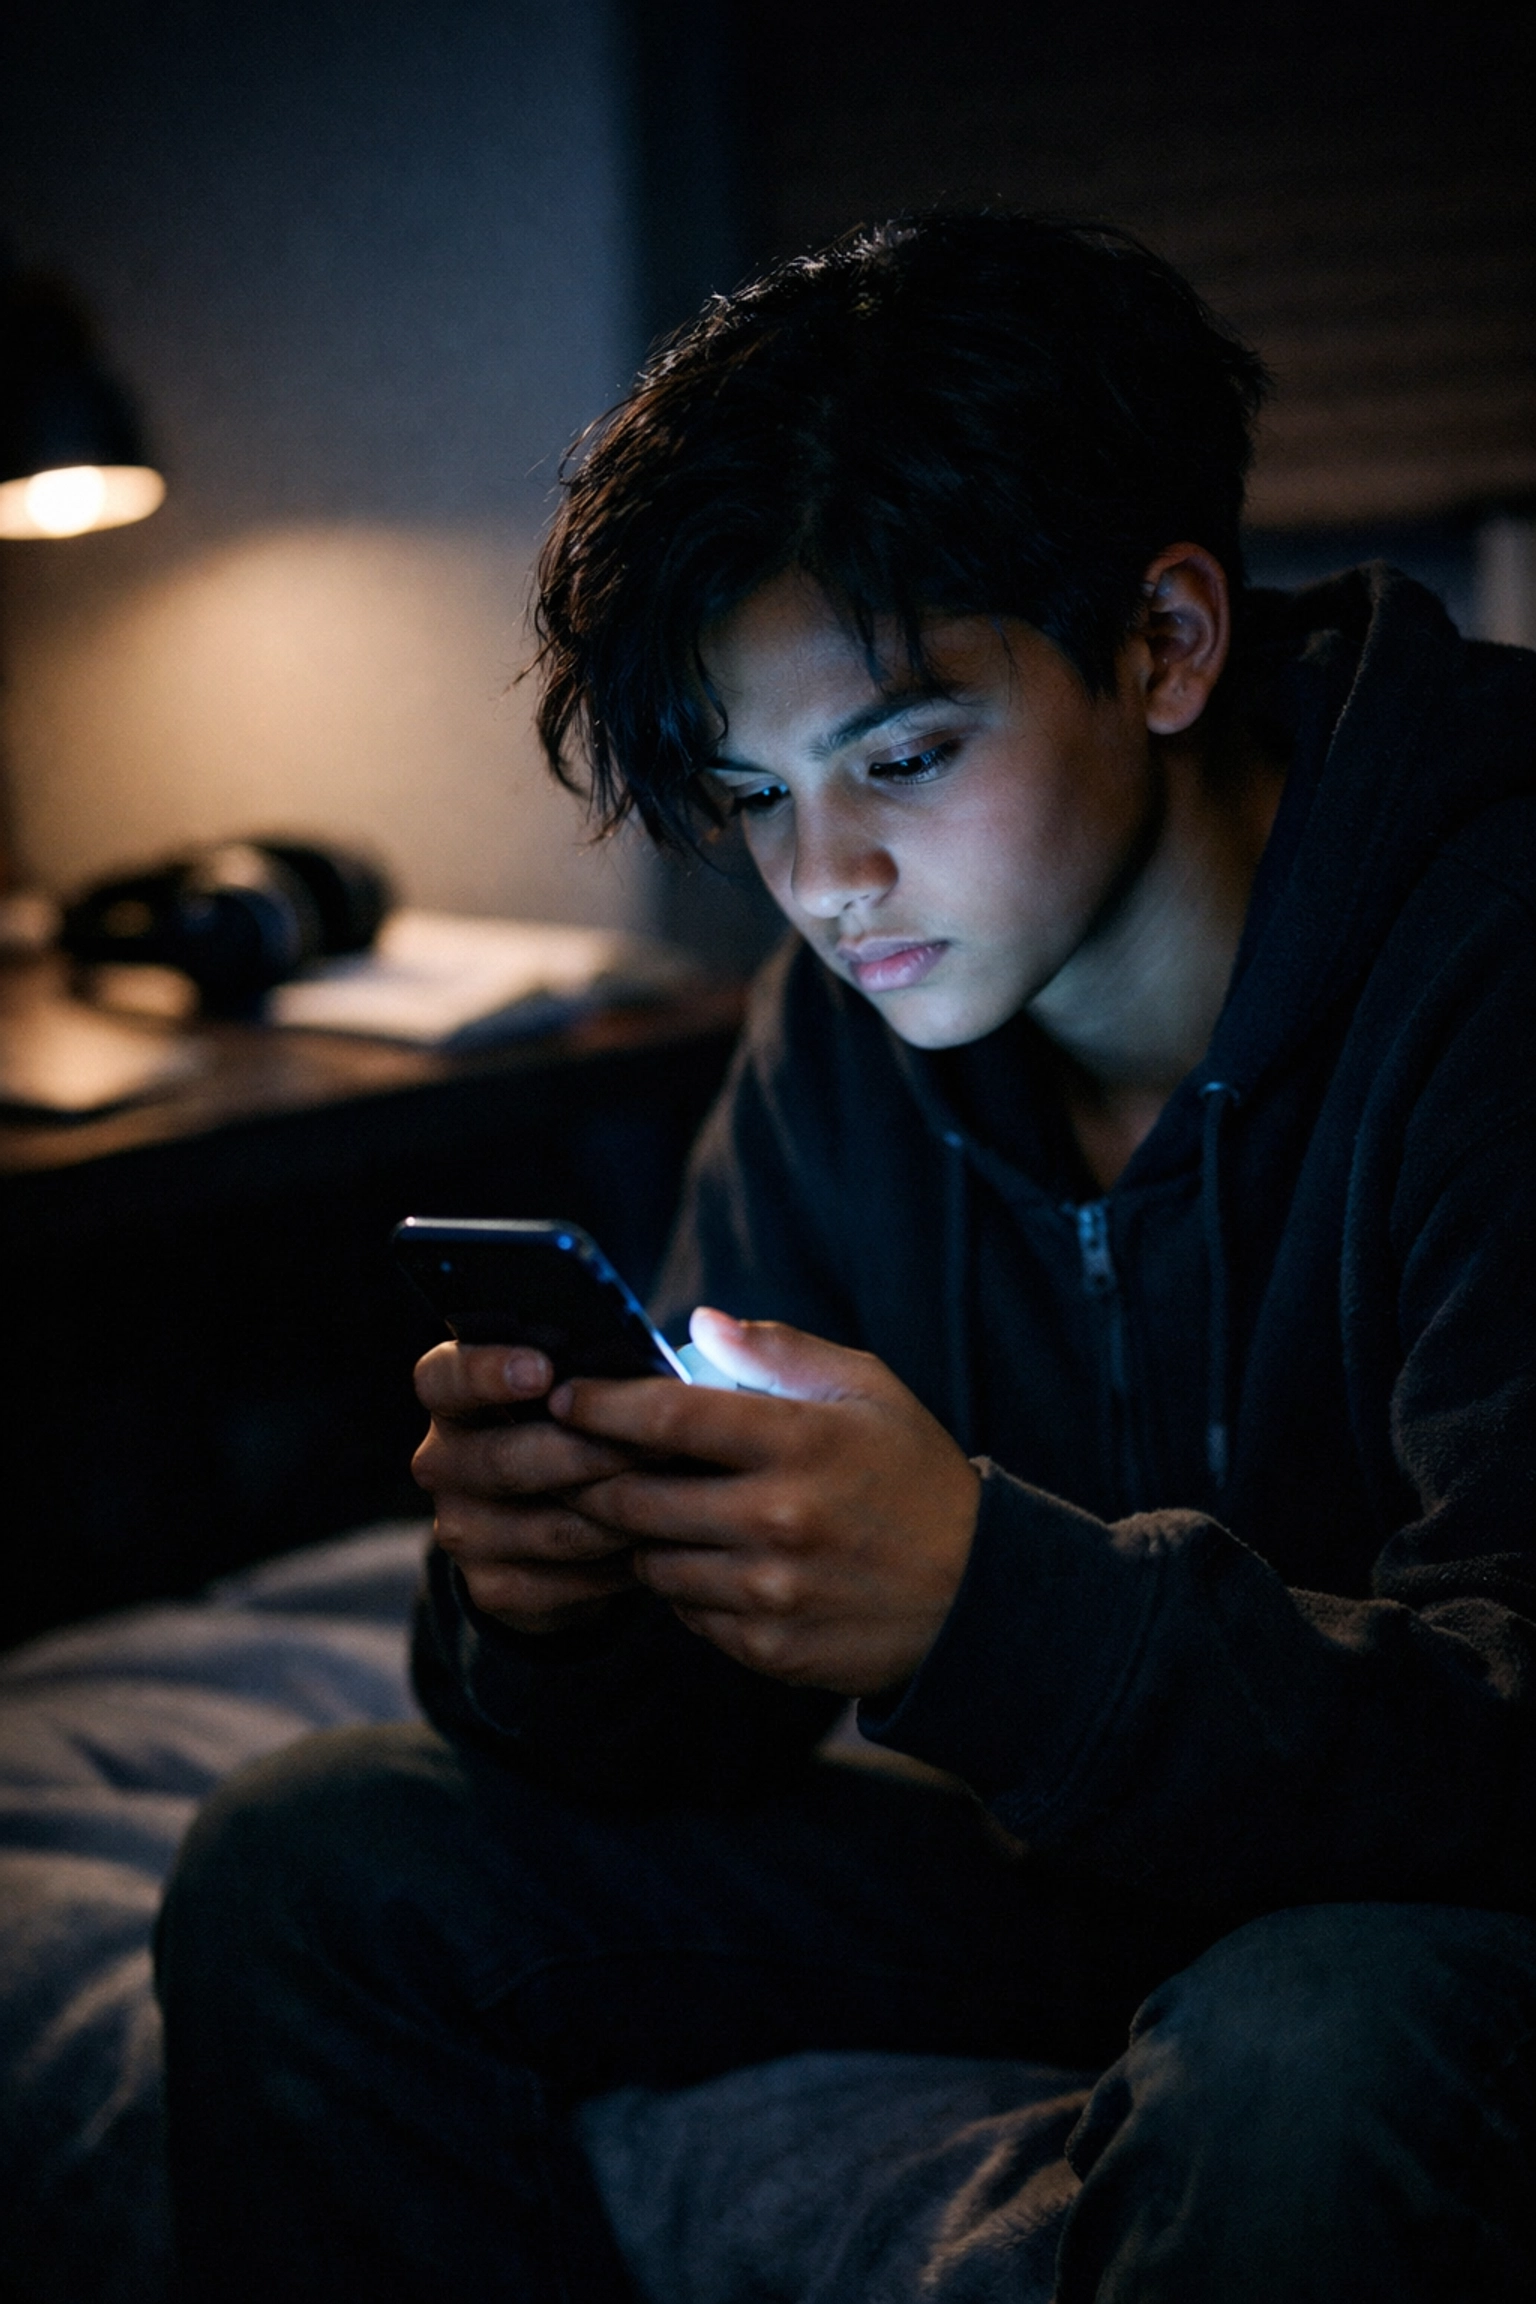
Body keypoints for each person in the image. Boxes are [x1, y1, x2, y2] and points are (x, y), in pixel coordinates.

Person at [155, 216, 1536, 2301]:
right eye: (752, 795)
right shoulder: (856, 1022)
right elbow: (693, 1739)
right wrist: (568, 1602)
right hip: (1064, 1871)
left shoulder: (1493, 945)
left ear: (1166, 643)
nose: (826, 882)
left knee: (1311, 2051)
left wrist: (988, 1607)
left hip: (1427, 1911)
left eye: (902, 757)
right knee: (313, 1863)